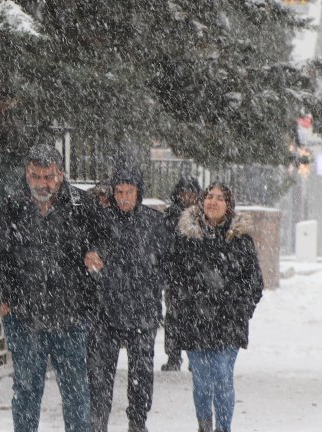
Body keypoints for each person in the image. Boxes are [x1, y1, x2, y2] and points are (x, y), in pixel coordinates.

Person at [0, 144, 106, 432]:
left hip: (71, 316)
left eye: (49, 177)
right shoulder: (13, 206)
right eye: (36, 176)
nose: (42, 184)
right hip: (24, 316)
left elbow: (106, 236)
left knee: (76, 391)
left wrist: (96, 251)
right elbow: (0, 255)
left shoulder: (81, 204)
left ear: (61, 174)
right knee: (26, 390)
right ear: (26, 174)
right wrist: (2, 298)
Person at [166, 182, 262, 432]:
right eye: (209, 196)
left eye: (220, 198)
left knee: (222, 377)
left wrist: (241, 310)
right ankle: (204, 425)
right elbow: (174, 278)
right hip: (195, 321)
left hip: (228, 323)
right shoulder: (187, 238)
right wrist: (184, 308)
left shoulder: (240, 240)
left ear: (228, 205)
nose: (213, 202)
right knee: (201, 382)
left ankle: (223, 427)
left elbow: (254, 282)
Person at [87, 166, 170, 432]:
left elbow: (168, 263)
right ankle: (98, 422)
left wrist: (152, 283)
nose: (123, 197)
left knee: (141, 374)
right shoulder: (100, 221)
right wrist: (91, 256)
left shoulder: (154, 223)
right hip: (105, 312)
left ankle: (137, 421)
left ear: (138, 193)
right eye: (119, 191)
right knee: (100, 375)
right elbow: (86, 251)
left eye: (129, 192)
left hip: (142, 312)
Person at [162, 174, 201, 372]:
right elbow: (165, 243)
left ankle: (195, 358)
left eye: (192, 193)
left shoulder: (201, 216)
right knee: (174, 317)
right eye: (185, 192)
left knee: (195, 318)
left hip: (196, 276)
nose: (188, 197)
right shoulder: (171, 216)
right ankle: (173, 356)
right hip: (176, 275)